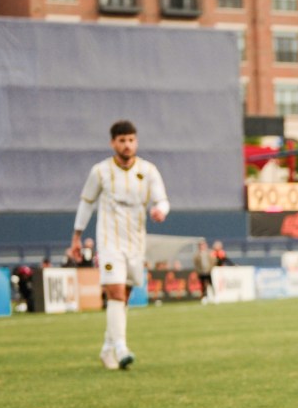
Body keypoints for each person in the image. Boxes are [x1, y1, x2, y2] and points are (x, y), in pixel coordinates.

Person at [70, 120, 169, 370]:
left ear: (136, 141)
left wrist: (160, 211)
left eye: (131, 140)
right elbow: (86, 203)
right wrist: (76, 237)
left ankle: (107, 348)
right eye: (122, 140)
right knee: (114, 292)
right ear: (113, 143)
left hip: (136, 242)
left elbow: (162, 199)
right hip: (109, 241)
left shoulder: (148, 171)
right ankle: (122, 347)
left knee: (123, 296)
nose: (127, 145)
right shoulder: (100, 171)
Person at [193, 239, 215, 304]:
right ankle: (204, 297)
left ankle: (213, 296)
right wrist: (198, 271)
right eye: (200, 245)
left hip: (208, 271)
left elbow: (213, 261)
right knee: (203, 285)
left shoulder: (209, 253)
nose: (202, 246)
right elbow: (196, 264)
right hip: (201, 272)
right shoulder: (197, 255)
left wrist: (210, 268)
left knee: (211, 284)